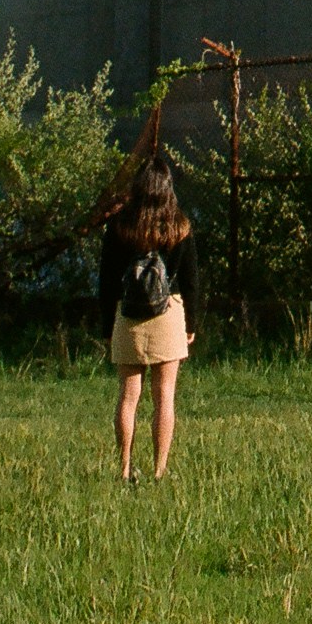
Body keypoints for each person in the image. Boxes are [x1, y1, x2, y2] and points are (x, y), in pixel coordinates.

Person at [98, 153, 198, 484]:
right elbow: (192, 280)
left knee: (128, 396)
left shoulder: (120, 226)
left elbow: (107, 280)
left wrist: (106, 325)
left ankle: (125, 469)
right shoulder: (180, 226)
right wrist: (192, 325)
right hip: (169, 312)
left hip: (129, 316)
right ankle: (159, 470)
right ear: (168, 188)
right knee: (164, 396)